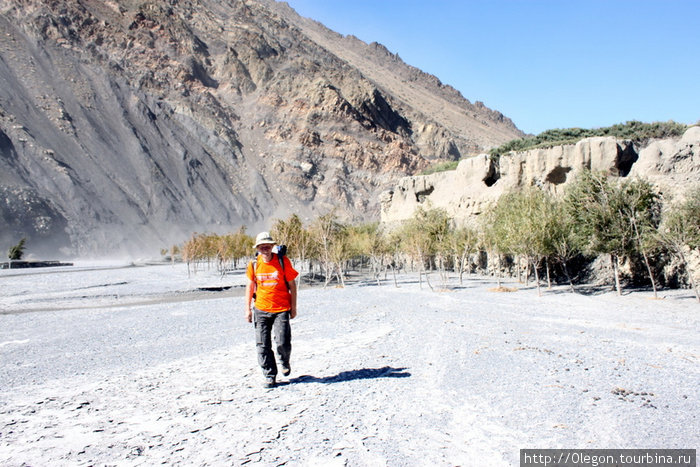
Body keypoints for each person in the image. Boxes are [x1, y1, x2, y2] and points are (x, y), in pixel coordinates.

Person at [245, 231, 299, 388]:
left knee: (282, 342)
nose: (265, 248)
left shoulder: (283, 261)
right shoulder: (254, 264)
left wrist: (293, 307)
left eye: (267, 246)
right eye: (262, 246)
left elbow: (292, 285)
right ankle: (270, 375)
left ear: (272, 246)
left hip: (281, 309)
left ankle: (284, 360)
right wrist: (247, 309)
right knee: (262, 345)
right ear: (258, 248)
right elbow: (250, 286)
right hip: (260, 309)